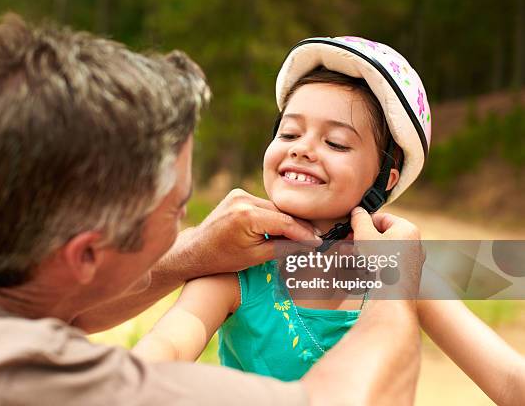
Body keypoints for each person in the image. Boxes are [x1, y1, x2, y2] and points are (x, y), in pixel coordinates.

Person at [0, 16, 424, 405]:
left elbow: (71, 304)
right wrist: (395, 282)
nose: (199, 226)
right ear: (86, 254)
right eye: (180, 209)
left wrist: (195, 253)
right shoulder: (46, 388)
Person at [133, 36, 525, 403]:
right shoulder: (236, 266)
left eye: (335, 142)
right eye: (288, 134)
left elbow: (509, 380)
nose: (302, 149)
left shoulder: (401, 270)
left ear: (383, 180)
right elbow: (166, 347)